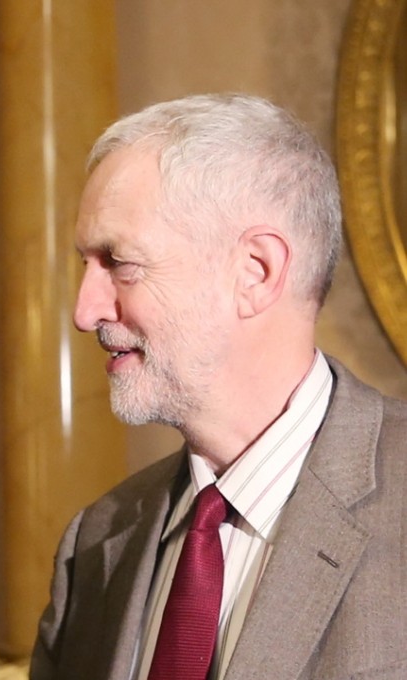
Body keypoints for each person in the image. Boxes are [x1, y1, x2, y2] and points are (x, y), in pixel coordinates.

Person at [30, 93, 407, 679]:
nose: (85, 311)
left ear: (254, 272)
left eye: (120, 262)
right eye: (86, 264)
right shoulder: (97, 543)